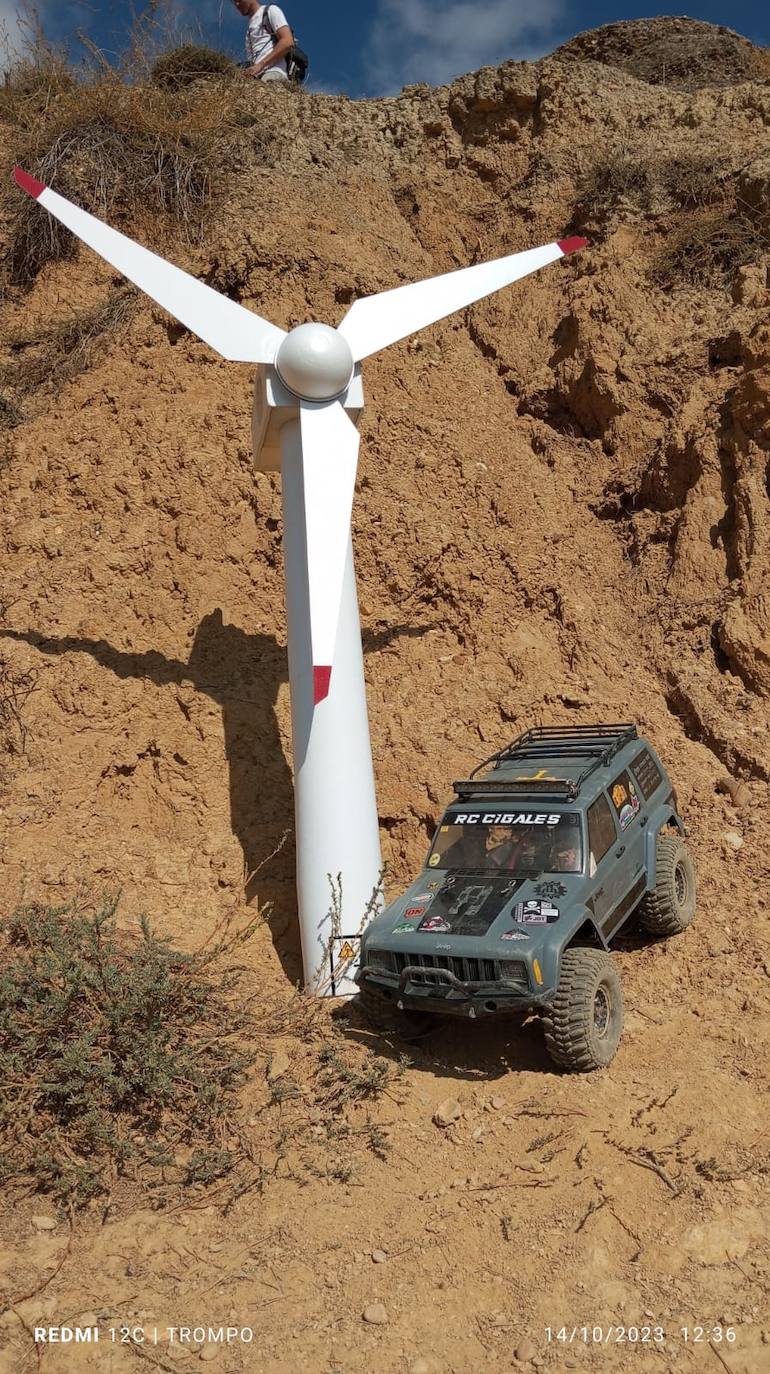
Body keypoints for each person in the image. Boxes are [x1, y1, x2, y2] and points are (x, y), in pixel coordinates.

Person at [232, 0, 294, 82]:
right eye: (233, 1)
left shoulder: (270, 10)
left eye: (239, 0)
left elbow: (288, 42)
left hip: (274, 72)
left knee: (263, 87)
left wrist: (260, 65)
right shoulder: (249, 32)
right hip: (257, 77)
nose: (237, 4)